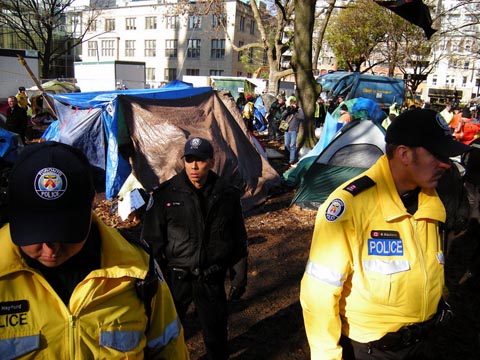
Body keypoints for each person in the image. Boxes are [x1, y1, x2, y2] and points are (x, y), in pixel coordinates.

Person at [300, 109, 471, 360]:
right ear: (404, 153)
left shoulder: (434, 201)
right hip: (371, 351)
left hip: (424, 342)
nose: (446, 164)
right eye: (436, 154)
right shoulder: (350, 206)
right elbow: (318, 293)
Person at [0, 141, 189, 359]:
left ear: (91, 204)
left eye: (66, 233)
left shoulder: (136, 270)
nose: (50, 249)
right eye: (36, 233)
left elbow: (168, 347)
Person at [142, 137, 248, 360]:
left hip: (211, 277)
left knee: (217, 338)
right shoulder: (166, 194)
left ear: (211, 161)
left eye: (200, 161)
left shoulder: (227, 195)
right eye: (189, 160)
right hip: (176, 279)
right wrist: (150, 278)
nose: (194, 166)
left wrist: (239, 272)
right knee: (165, 336)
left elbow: (236, 236)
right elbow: (152, 241)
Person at [281, 98, 304, 165]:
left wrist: (295, 112)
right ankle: (288, 157)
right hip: (287, 129)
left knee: (292, 145)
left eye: (294, 104)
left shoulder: (299, 110)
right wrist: (287, 111)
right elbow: (282, 117)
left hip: (294, 130)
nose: (293, 105)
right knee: (286, 145)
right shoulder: (288, 109)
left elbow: (302, 117)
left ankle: (292, 159)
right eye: (292, 104)